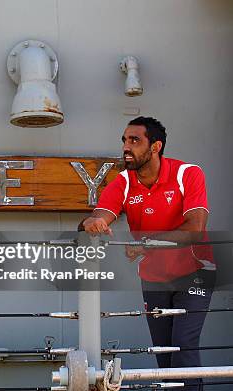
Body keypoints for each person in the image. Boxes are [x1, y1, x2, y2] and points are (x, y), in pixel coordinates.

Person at [79, 116, 215, 391]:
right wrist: (94, 222)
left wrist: (148, 243)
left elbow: (196, 228)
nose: (126, 147)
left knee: (184, 348)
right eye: (124, 141)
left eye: (134, 141)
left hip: (195, 272)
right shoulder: (124, 182)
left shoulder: (187, 173)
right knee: (163, 353)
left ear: (155, 147)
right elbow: (102, 214)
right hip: (154, 278)